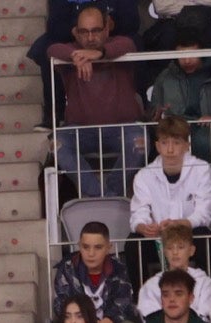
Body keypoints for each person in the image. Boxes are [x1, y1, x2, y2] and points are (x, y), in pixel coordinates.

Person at [47, 5, 143, 199]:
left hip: (122, 127)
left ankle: (111, 194)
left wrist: (100, 53)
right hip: (80, 130)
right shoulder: (71, 52)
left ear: (107, 28)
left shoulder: (120, 45)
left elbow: (128, 44)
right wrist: (77, 56)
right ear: (75, 32)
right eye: (84, 32)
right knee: (57, 144)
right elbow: (51, 49)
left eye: (96, 30)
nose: (90, 37)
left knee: (141, 144)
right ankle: (102, 197)